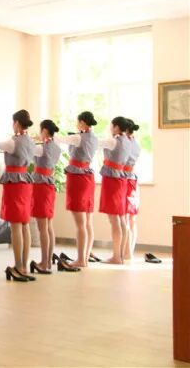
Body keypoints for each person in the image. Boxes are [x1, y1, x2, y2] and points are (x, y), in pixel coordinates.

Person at [55, 111, 98, 269]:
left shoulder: (78, 137)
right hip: (88, 178)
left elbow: (59, 139)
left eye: (77, 121)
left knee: (80, 223)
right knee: (88, 222)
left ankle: (81, 259)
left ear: (82, 122)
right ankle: (85, 258)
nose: (76, 124)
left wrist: (46, 135)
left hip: (78, 179)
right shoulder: (94, 138)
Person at [0, 110, 36, 282]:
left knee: (16, 226)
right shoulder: (31, 141)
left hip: (14, 183)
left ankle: (18, 265)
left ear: (16, 123)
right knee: (24, 224)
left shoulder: (12, 142)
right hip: (26, 182)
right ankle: (24, 265)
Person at [29, 120, 62, 275]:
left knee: (42, 227)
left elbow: (28, 150)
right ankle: (48, 260)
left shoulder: (41, 148)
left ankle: (44, 262)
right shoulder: (56, 147)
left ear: (44, 131)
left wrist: (32, 140)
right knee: (48, 226)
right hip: (49, 184)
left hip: (41, 186)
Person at [98, 116, 131, 264]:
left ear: (117, 127)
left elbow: (96, 143)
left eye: (111, 126)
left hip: (112, 180)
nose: (110, 128)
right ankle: (120, 255)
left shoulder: (113, 141)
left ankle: (116, 256)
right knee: (121, 217)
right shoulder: (127, 141)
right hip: (121, 178)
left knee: (114, 219)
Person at [123, 119, 141, 260]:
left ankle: (127, 252)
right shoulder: (135, 143)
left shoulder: (126, 143)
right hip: (133, 180)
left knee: (125, 217)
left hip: (125, 180)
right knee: (132, 218)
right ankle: (129, 250)